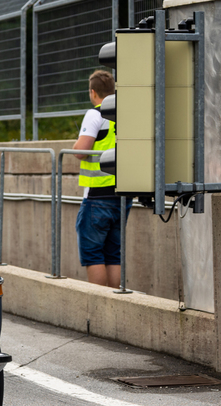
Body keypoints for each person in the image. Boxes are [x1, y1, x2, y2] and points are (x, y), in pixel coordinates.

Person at [72, 70, 131, 288]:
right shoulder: (126, 114)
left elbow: (81, 151)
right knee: (114, 254)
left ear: (93, 92)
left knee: (93, 254)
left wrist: (75, 144)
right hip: (123, 192)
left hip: (98, 195)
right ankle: (114, 301)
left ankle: (100, 303)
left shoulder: (95, 114)